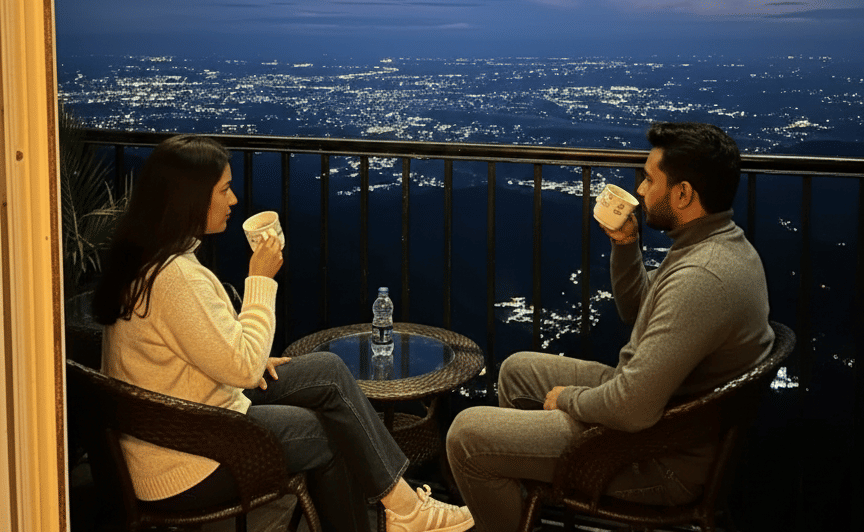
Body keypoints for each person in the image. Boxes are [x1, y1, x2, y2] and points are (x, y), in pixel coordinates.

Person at [93, 134, 473, 532]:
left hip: (186, 420)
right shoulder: (175, 278)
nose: (234, 200)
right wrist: (259, 280)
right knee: (331, 432)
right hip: (188, 456)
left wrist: (246, 359)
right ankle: (393, 516)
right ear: (190, 198)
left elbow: (194, 348)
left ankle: (402, 508)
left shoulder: (149, 259)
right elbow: (241, 367)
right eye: (224, 190)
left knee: (325, 370)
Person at [446, 121, 774, 532]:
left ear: (683, 193)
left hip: (656, 458)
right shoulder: (715, 245)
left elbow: (631, 408)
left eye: (650, 179)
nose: (639, 190)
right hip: (664, 422)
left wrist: (569, 399)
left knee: (466, 437)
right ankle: (520, 509)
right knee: (517, 371)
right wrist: (625, 245)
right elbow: (638, 309)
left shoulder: (702, 278)